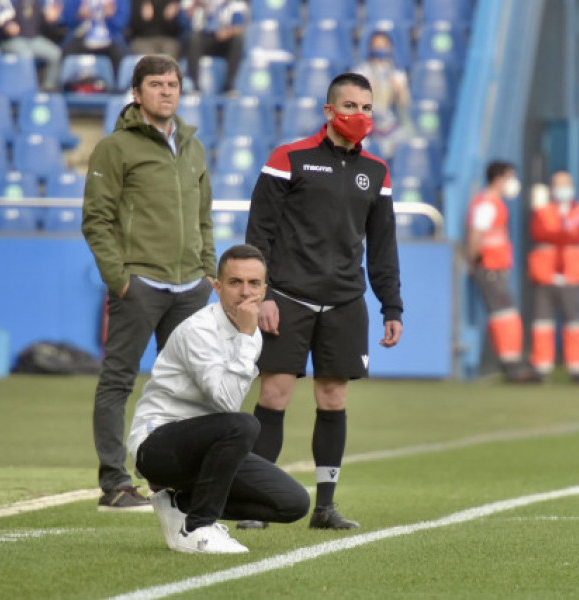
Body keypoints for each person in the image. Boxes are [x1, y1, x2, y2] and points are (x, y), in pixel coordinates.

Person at [243, 72, 403, 530]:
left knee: (333, 398)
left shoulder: (377, 172)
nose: (360, 116)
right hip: (287, 298)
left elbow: (383, 246)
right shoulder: (287, 158)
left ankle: (326, 507)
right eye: (350, 106)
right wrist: (263, 295)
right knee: (274, 394)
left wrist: (391, 306)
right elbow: (260, 234)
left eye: (367, 108)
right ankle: (257, 503)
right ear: (330, 111)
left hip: (345, 302)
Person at [82, 53, 216, 510]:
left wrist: (209, 269)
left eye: (173, 84)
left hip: (189, 286)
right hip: (140, 285)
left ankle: (169, 478)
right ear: (137, 94)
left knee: (185, 387)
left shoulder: (194, 147)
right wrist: (120, 279)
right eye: (156, 84)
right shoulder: (115, 148)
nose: (166, 92)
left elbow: (204, 217)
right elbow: (96, 220)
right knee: (118, 381)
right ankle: (115, 484)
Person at [128, 244, 309, 553]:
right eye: (235, 282)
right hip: (157, 446)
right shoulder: (198, 330)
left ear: (265, 289)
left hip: (207, 446)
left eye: (254, 283)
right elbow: (226, 402)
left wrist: (247, 336)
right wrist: (246, 337)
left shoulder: (250, 333)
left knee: (293, 503)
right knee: (243, 425)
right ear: (217, 287)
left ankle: (178, 503)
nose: (245, 292)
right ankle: (197, 528)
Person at [465, 160, 537, 383]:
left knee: (505, 315)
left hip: (495, 267)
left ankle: (513, 363)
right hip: (490, 268)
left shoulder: (493, 203)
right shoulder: (487, 204)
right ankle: (512, 366)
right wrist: (471, 261)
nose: (512, 183)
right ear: (499, 178)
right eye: (510, 177)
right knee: (504, 315)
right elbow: (476, 235)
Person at [527, 170, 579, 383]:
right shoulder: (542, 211)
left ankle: (578, 370)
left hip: (572, 277)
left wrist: (556, 235)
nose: (562, 188)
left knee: (574, 324)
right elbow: (539, 233)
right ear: (552, 188)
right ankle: (541, 368)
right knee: (542, 325)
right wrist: (565, 235)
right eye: (558, 184)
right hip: (546, 276)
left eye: (566, 184)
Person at [352, 31, 413, 160]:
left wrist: (400, 91)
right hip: (366, 128)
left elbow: (405, 104)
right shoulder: (361, 71)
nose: (380, 49)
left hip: (390, 126)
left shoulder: (397, 72)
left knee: (408, 142)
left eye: (383, 45)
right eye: (377, 45)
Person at [0, 0, 63, 91]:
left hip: (33, 39)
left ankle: (48, 87)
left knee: (55, 53)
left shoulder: (39, 2)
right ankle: (27, 88)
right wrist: (6, 27)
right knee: (26, 55)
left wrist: (50, 20)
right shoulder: (7, 2)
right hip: (11, 40)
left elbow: (46, 28)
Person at [182, 0, 247, 92]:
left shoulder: (235, 4)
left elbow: (239, 28)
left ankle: (229, 87)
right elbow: (187, 18)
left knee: (237, 41)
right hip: (206, 37)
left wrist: (227, 32)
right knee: (193, 38)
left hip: (225, 40)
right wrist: (196, 4)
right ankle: (194, 86)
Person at [62, 0, 128, 76]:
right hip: (82, 36)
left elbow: (121, 24)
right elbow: (67, 20)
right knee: (67, 50)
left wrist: (111, 16)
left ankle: (117, 87)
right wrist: (79, 15)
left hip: (110, 37)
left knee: (120, 55)